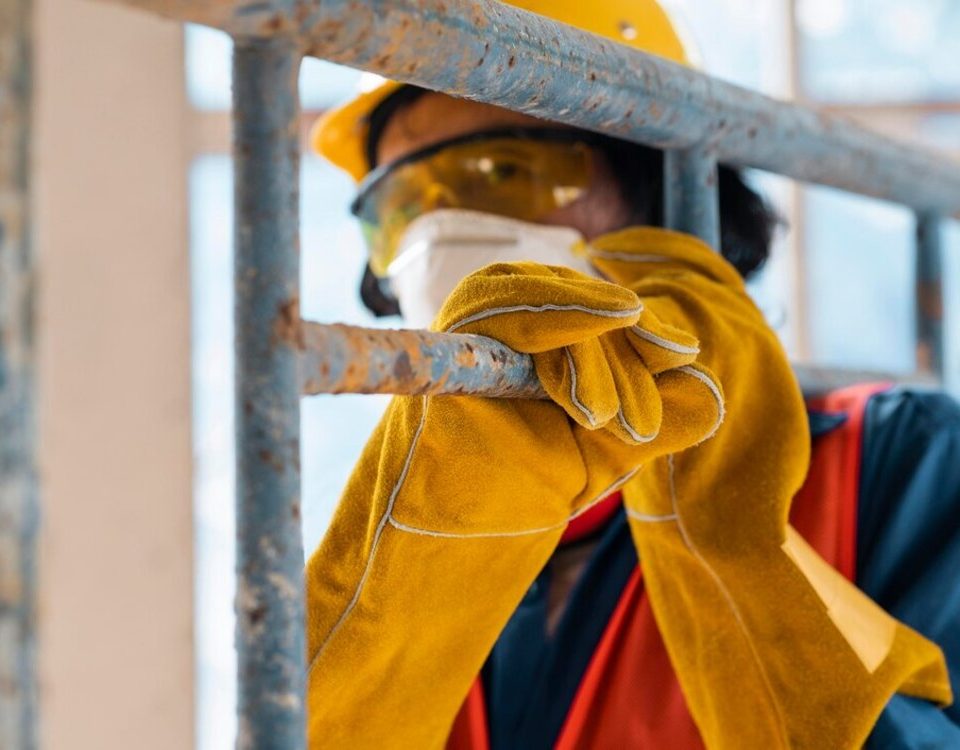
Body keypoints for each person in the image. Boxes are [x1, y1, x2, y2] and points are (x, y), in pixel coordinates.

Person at [302, 1, 959, 747]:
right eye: (398, 210)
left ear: (657, 194)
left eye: (503, 172)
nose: (436, 236)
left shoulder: (892, 460)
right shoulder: (411, 522)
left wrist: (731, 545)